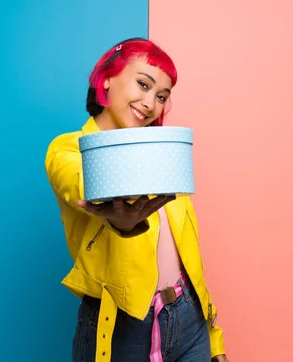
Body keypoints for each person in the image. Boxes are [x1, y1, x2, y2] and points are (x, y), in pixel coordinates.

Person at [45, 37, 229, 362]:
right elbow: (80, 182)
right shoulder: (68, 149)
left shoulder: (161, 154)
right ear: (106, 79)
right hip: (121, 327)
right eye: (143, 84)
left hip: (189, 317)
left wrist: (214, 339)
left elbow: (190, 254)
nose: (151, 103)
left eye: (161, 96)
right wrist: (120, 221)